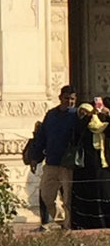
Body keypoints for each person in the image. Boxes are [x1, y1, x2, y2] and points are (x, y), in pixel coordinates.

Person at [30, 85, 78, 231]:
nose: (69, 102)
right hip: (51, 162)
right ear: (60, 98)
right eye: (66, 98)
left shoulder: (77, 115)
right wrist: (35, 157)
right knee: (47, 195)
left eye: (72, 99)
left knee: (68, 199)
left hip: (68, 164)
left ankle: (68, 227)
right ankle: (61, 221)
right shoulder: (51, 115)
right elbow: (41, 137)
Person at [68, 102, 110, 230]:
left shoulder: (103, 125)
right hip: (84, 168)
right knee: (86, 196)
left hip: (102, 166)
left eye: (86, 112)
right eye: (81, 112)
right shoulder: (81, 125)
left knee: (104, 194)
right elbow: (78, 130)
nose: (84, 115)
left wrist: (107, 114)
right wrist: (89, 116)